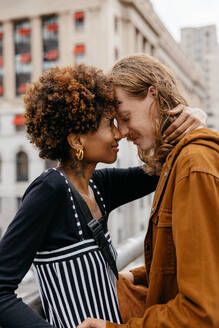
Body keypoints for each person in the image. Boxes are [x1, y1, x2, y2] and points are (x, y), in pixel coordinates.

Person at [0, 64, 205, 328]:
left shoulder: (99, 185)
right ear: (77, 141)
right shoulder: (49, 191)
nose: (119, 133)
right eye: (110, 124)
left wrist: (195, 119)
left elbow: (163, 167)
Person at [77, 54, 219, 328]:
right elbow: (190, 260)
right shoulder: (176, 161)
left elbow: (202, 313)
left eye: (126, 117)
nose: (124, 133)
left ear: (153, 94)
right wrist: (138, 276)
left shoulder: (192, 165)